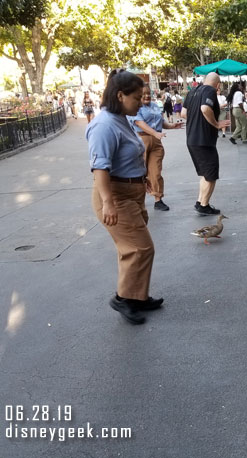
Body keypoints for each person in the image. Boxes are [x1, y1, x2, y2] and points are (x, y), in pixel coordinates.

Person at [86, 69, 163, 325]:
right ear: (120, 95)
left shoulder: (120, 119)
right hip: (116, 196)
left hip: (132, 192)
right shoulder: (103, 125)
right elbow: (100, 167)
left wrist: (143, 179)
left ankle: (137, 297)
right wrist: (108, 202)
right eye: (137, 97)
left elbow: (126, 157)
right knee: (141, 248)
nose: (141, 102)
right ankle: (124, 299)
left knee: (132, 249)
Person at [181, 72, 231, 216]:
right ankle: (204, 205)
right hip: (204, 141)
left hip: (191, 139)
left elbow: (184, 114)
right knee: (211, 175)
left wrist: (198, 119)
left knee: (205, 174)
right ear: (218, 85)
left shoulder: (192, 91)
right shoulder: (210, 90)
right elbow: (205, 108)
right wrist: (216, 123)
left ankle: (200, 201)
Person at [129, 84, 183, 212]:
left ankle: (158, 199)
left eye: (148, 93)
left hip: (156, 141)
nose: (147, 96)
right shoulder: (135, 107)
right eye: (143, 94)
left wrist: (171, 126)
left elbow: (160, 122)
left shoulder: (154, 106)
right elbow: (138, 122)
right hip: (141, 140)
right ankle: (137, 199)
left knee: (156, 171)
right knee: (139, 172)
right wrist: (154, 133)